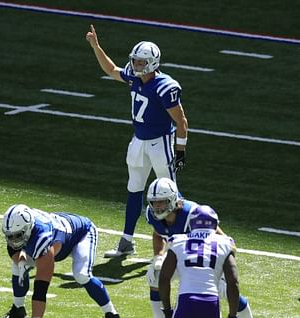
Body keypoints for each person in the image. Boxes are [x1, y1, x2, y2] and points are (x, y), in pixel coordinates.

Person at [86, 25, 189, 258]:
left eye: (141, 62)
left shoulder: (165, 87)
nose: (136, 66)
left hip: (160, 143)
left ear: (152, 62)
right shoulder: (134, 77)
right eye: (135, 61)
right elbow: (111, 69)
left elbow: (181, 121)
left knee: (172, 195)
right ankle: (126, 242)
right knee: (134, 189)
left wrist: (180, 150)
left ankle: (180, 242)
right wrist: (96, 46)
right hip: (139, 141)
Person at [145, 178, 252, 318]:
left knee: (225, 289)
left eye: (161, 202)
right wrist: (158, 256)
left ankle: (245, 314)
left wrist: (222, 273)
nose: (157, 207)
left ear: (172, 200)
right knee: (155, 276)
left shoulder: (194, 214)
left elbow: (229, 244)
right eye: (154, 202)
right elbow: (158, 233)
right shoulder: (152, 214)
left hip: (205, 260)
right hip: (181, 257)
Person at [2, 204, 120, 318]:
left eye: (18, 235)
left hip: (80, 234)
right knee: (19, 266)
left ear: (28, 227)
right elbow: (14, 250)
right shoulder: (17, 227)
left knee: (82, 275)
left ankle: (111, 313)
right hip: (57, 232)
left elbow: (41, 290)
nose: (13, 240)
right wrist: (21, 262)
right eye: (10, 236)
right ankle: (18, 309)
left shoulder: (43, 239)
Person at [159, 205, 249, 318]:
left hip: (186, 300)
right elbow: (233, 282)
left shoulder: (178, 240)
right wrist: (232, 314)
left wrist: (167, 309)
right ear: (215, 224)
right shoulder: (225, 243)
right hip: (211, 302)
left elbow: (164, 279)